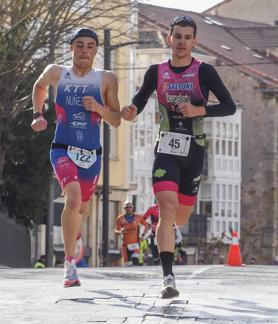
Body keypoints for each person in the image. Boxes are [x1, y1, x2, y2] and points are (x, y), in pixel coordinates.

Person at [121, 16, 236, 298]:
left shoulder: (204, 71)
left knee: (180, 217)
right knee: (167, 208)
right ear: (169, 39)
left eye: (188, 37)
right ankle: (168, 278)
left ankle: (171, 235)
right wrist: (132, 110)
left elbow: (230, 106)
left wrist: (200, 110)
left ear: (194, 41)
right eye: (178, 36)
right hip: (167, 149)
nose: (182, 42)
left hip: (195, 150)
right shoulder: (156, 71)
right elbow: (140, 97)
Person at [31, 28, 121, 287]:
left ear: (96, 50)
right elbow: (39, 86)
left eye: (90, 46)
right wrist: (38, 115)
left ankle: (76, 232)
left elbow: (116, 120)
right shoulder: (56, 72)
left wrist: (99, 108)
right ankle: (70, 265)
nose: (85, 50)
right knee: (71, 200)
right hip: (62, 147)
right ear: (71, 47)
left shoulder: (106, 79)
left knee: (81, 207)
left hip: (91, 154)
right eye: (79, 45)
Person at [115, 201, 149, 266]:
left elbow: (147, 225)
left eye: (130, 207)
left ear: (133, 208)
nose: (128, 208)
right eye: (126, 207)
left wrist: (143, 235)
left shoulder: (138, 217)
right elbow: (116, 231)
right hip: (125, 245)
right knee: (128, 265)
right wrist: (120, 231)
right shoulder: (120, 218)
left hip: (135, 244)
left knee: (135, 260)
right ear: (124, 208)